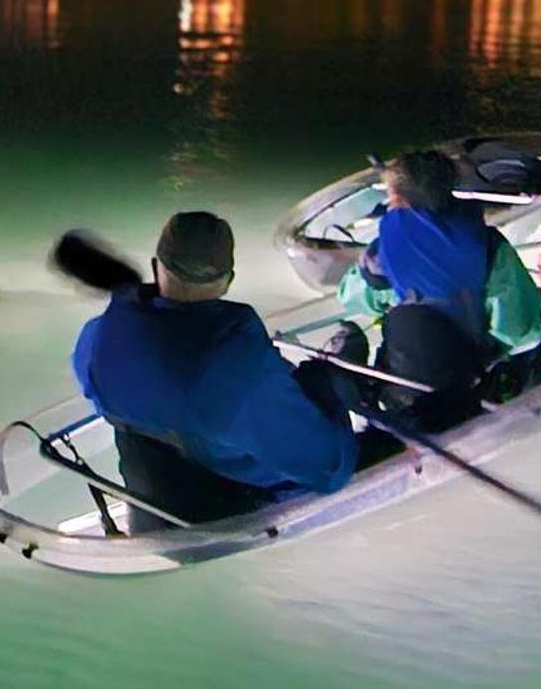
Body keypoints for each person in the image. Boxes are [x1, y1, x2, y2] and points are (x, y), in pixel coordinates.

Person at [72, 212, 359, 532]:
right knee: (355, 423)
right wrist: (326, 386)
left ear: (156, 267)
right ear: (227, 281)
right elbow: (329, 468)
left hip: (153, 504)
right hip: (234, 507)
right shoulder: (239, 375)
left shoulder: (93, 343)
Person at [336, 149, 541, 427]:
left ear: (397, 198)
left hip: (397, 390)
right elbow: (522, 334)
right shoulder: (489, 246)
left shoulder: (382, 251)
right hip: (467, 389)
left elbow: (350, 297)